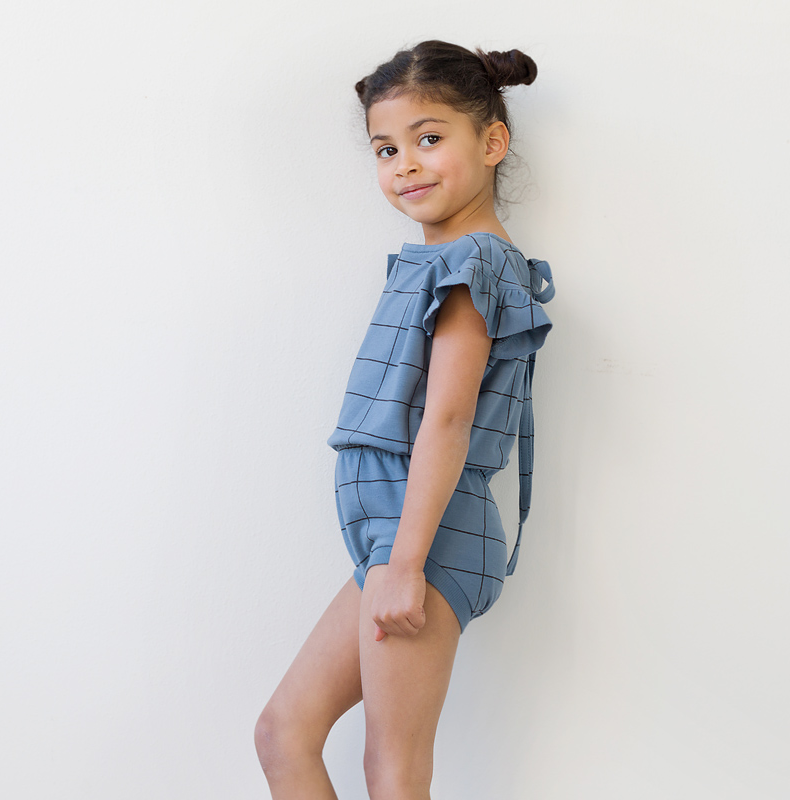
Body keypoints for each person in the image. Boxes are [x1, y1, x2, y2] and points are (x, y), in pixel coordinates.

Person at [254, 40, 555, 800]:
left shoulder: (475, 262)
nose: (406, 165)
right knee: (284, 732)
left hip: (425, 532)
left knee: (393, 769)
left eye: (429, 138)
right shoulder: (440, 261)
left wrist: (407, 564)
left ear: (492, 142)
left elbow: (447, 420)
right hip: (396, 532)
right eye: (387, 149)